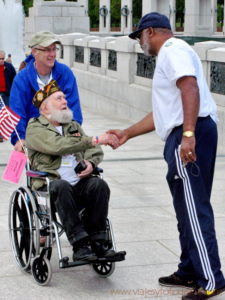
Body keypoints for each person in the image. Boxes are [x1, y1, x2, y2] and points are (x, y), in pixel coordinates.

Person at [108, 12, 225, 300]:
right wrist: (126, 133)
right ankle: (189, 270)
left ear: (150, 33)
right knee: (186, 206)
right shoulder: (174, 54)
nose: (138, 43)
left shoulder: (172, 50)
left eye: (138, 37)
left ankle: (211, 278)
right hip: (188, 129)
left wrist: (187, 134)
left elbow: (189, 87)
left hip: (189, 132)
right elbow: (163, 114)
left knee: (194, 209)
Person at [26, 80, 119, 261]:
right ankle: (80, 245)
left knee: (99, 185)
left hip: (78, 184)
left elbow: (94, 150)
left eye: (65, 98)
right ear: (45, 107)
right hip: (50, 187)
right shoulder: (35, 127)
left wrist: (90, 162)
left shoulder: (72, 126)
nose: (65, 101)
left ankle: (99, 241)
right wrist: (95, 139)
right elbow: (58, 146)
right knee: (61, 186)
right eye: (59, 98)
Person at [9, 31, 83, 152]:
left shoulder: (65, 74)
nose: (52, 54)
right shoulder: (21, 79)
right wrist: (19, 139)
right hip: (34, 142)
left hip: (63, 140)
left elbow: (74, 109)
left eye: (54, 49)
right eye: (47, 50)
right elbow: (16, 113)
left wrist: (72, 136)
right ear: (34, 52)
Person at [0, 50, 16, 142]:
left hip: (6, 94)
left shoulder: (9, 67)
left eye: (2, 58)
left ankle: (2, 134)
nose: (1, 60)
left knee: (5, 115)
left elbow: (15, 80)